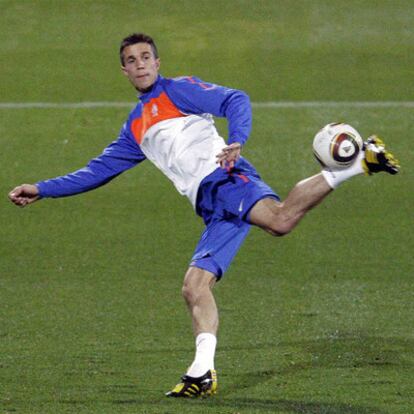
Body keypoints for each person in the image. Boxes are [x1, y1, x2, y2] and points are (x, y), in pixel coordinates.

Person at [8, 33, 400, 398]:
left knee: (280, 220)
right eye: (132, 60)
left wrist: (237, 139)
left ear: (158, 62)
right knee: (195, 287)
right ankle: (201, 372)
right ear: (124, 70)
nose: (140, 64)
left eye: (146, 57)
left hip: (226, 179)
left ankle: (357, 164)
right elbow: (96, 172)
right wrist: (41, 189)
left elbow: (235, 100)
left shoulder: (178, 90)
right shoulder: (135, 128)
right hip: (211, 203)